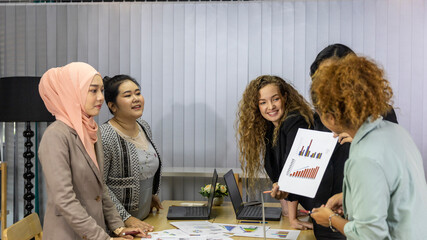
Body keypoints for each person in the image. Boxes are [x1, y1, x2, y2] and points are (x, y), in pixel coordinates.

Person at [310, 55, 427, 239]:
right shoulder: (396, 133)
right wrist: (350, 198)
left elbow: (370, 235)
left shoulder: (364, 158)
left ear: (330, 117)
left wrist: (331, 219)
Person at [38, 62, 146, 240]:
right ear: (72, 92)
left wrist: (119, 227)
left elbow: (100, 188)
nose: (101, 98)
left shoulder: (90, 129)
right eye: (93, 90)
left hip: (94, 231)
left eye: (101, 90)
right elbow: (64, 200)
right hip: (68, 234)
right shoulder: (56, 136)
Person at [237, 75, 314, 229]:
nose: (270, 106)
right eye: (263, 102)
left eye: (275, 99)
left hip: (325, 205)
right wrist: (287, 211)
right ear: (256, 106)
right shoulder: (271, 127)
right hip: (309, 208)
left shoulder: (294, 121)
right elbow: (277, 172)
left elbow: (293, 167)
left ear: (285, 97)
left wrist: (292, 218)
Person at [100, 75, 162, 232]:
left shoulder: (143, 126)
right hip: (117, 228)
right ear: (113, 106)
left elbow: (146, 167)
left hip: (144, 220)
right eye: (128, 95)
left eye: (138, 93)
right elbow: (99, 185)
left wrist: (150, 195)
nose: (136, 99)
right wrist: (126, 218)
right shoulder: (105, 135)